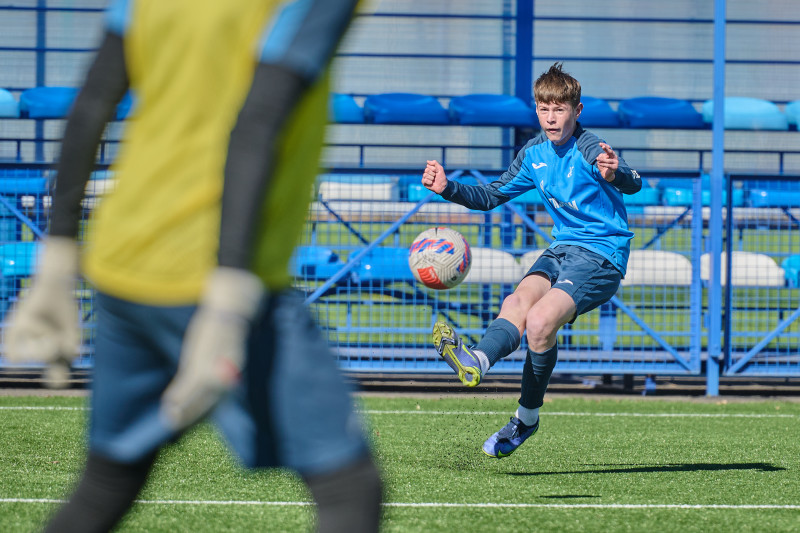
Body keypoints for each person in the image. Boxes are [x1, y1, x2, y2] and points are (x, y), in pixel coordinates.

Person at [4, 1, 382, 531]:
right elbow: (259, 117)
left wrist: (59, 254)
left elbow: (91, 102)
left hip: (121, 262)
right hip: (216, 272)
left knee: (108, 482)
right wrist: (229, 296)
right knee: (350, 489)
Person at [421, 63, 641, 459]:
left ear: (577, 110)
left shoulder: (590, 147)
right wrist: (448, 187)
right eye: (544, 109)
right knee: (517, 303)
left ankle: (526, 418)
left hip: (601, 255)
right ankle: (477, 361)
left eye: (559, 109)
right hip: (562, 249)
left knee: (539, 323)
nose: (551, 118)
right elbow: (491, 195)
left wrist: (616, 174)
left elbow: (633, 180)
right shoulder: (534, 153)